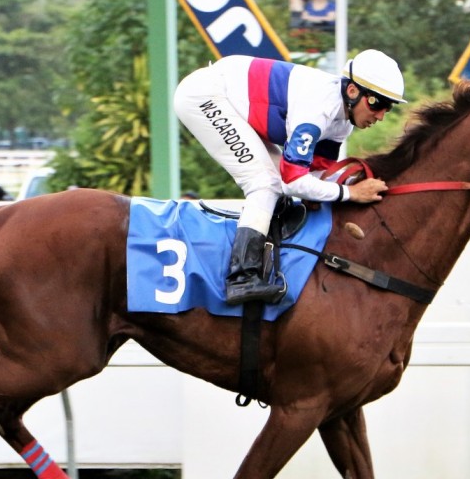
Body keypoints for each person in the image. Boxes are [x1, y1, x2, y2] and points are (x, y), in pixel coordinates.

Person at [173, 49, 405, 305]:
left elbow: (314, 175)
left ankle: (267, 257)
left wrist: (342, 188)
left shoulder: (342, 124)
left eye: (388, 108)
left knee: (277, 184)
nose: (381, 115)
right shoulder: (318, 110)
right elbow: (293, 181)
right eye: (377, 103)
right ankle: (241, 277)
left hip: (233, 100)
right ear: (352, 91)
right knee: (266, 183)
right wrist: (350, 193)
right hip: (205, 96)